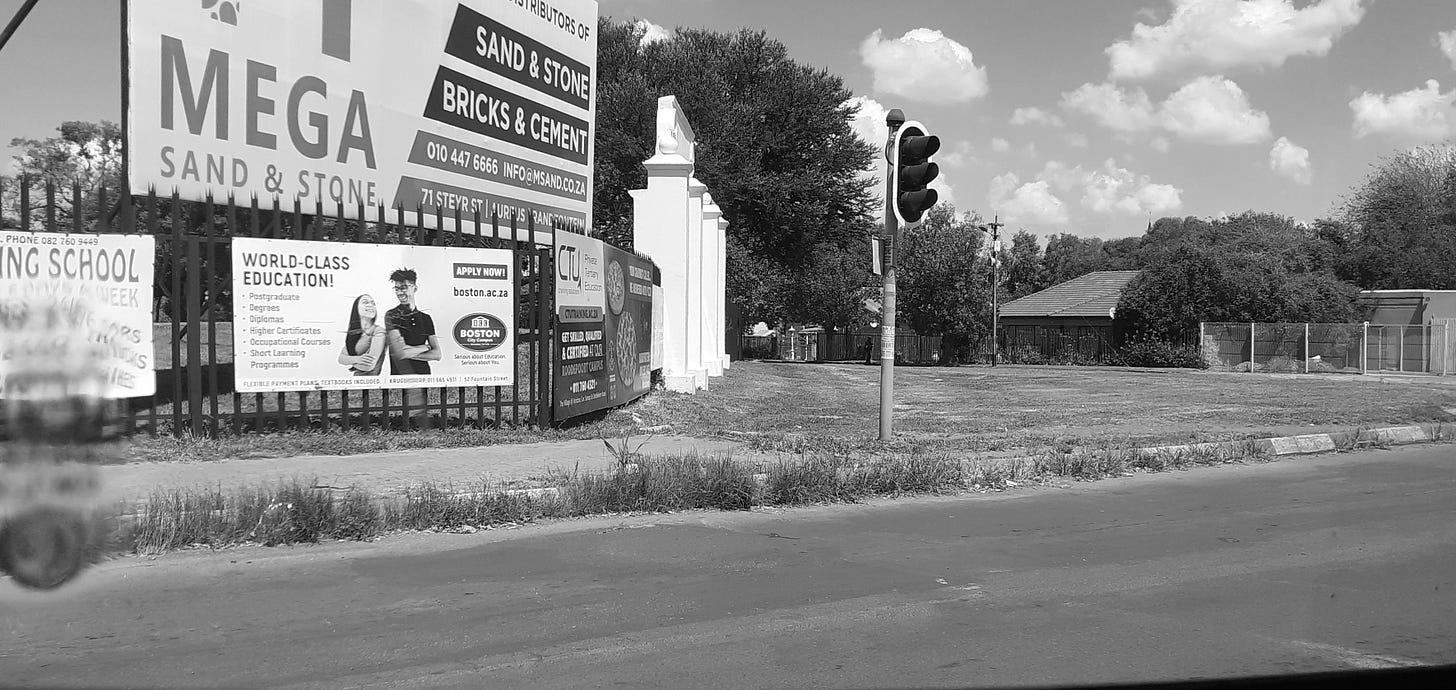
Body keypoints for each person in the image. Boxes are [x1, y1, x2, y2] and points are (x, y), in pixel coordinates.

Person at [385, 268, 440, 429]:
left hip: (423, 374)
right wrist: (424, 347)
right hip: (401, 373)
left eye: (404, 287)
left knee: (419, 417)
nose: (400, 292)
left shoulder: (426, 318)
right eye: (397, 288)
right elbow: (400, 353)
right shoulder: (392, 315)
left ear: (414, 288)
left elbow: (437, 354)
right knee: (406, 415)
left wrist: (409, 350)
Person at [337, 294, 386, 376]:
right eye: (365, 302)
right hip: (356, 383)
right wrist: (358, 359)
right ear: (356, 308)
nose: (371, 305)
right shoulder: (355, 334)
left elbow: (368, 366)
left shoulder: (378, 331)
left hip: (372, 384)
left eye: (373, 303)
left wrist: (349, 360)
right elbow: (340, 359)